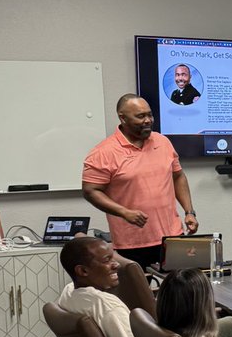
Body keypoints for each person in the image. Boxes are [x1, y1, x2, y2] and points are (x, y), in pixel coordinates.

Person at [82, 94, 199, 271]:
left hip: (172, 237)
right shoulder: (103, 152)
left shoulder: (163, 142)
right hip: (131, 244)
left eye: (149, 115)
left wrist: (189, 212)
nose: (148, 121)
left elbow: (178, 176)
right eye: (140, 116)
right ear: (123, 117)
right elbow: (90, 191)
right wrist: (124, 212)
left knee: (179, 294)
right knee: (137, 296)